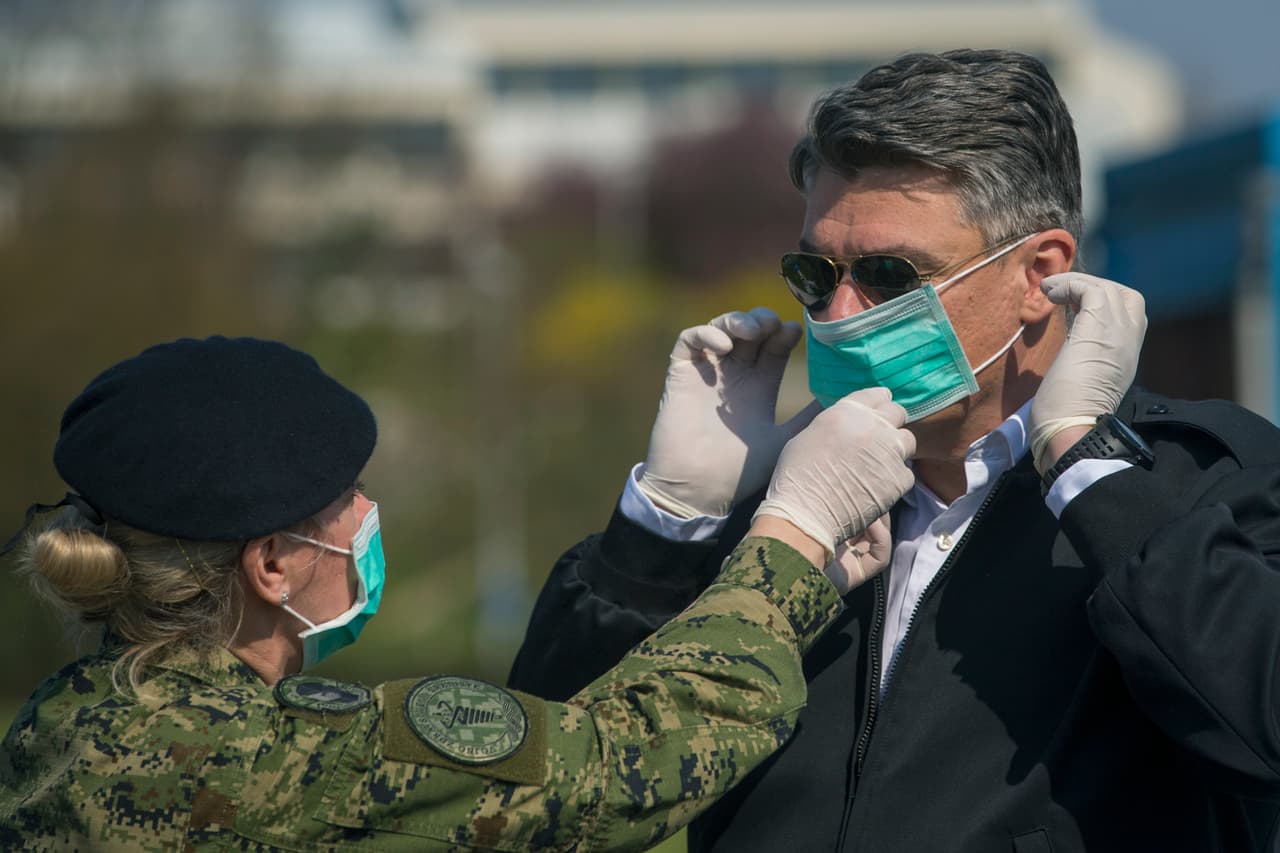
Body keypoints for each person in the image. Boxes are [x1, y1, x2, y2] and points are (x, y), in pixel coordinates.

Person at [509, 49, 1280, 852]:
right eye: (815, 272)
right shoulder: (789, 512)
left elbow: (1261, 724)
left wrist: (1088, 465)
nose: (840, 310)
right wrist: (667, 523)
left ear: (1038, 274)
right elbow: (538, 794)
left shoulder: (1206, 478)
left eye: (888, 273)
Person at [0, 335, 919, 851]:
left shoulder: (54, 726)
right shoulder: (290, 764)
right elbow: (626, 760)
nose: (368, 511)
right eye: (344, 496)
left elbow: (518, 762)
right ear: (270, 564)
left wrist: (664, 521)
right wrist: (789, 538)